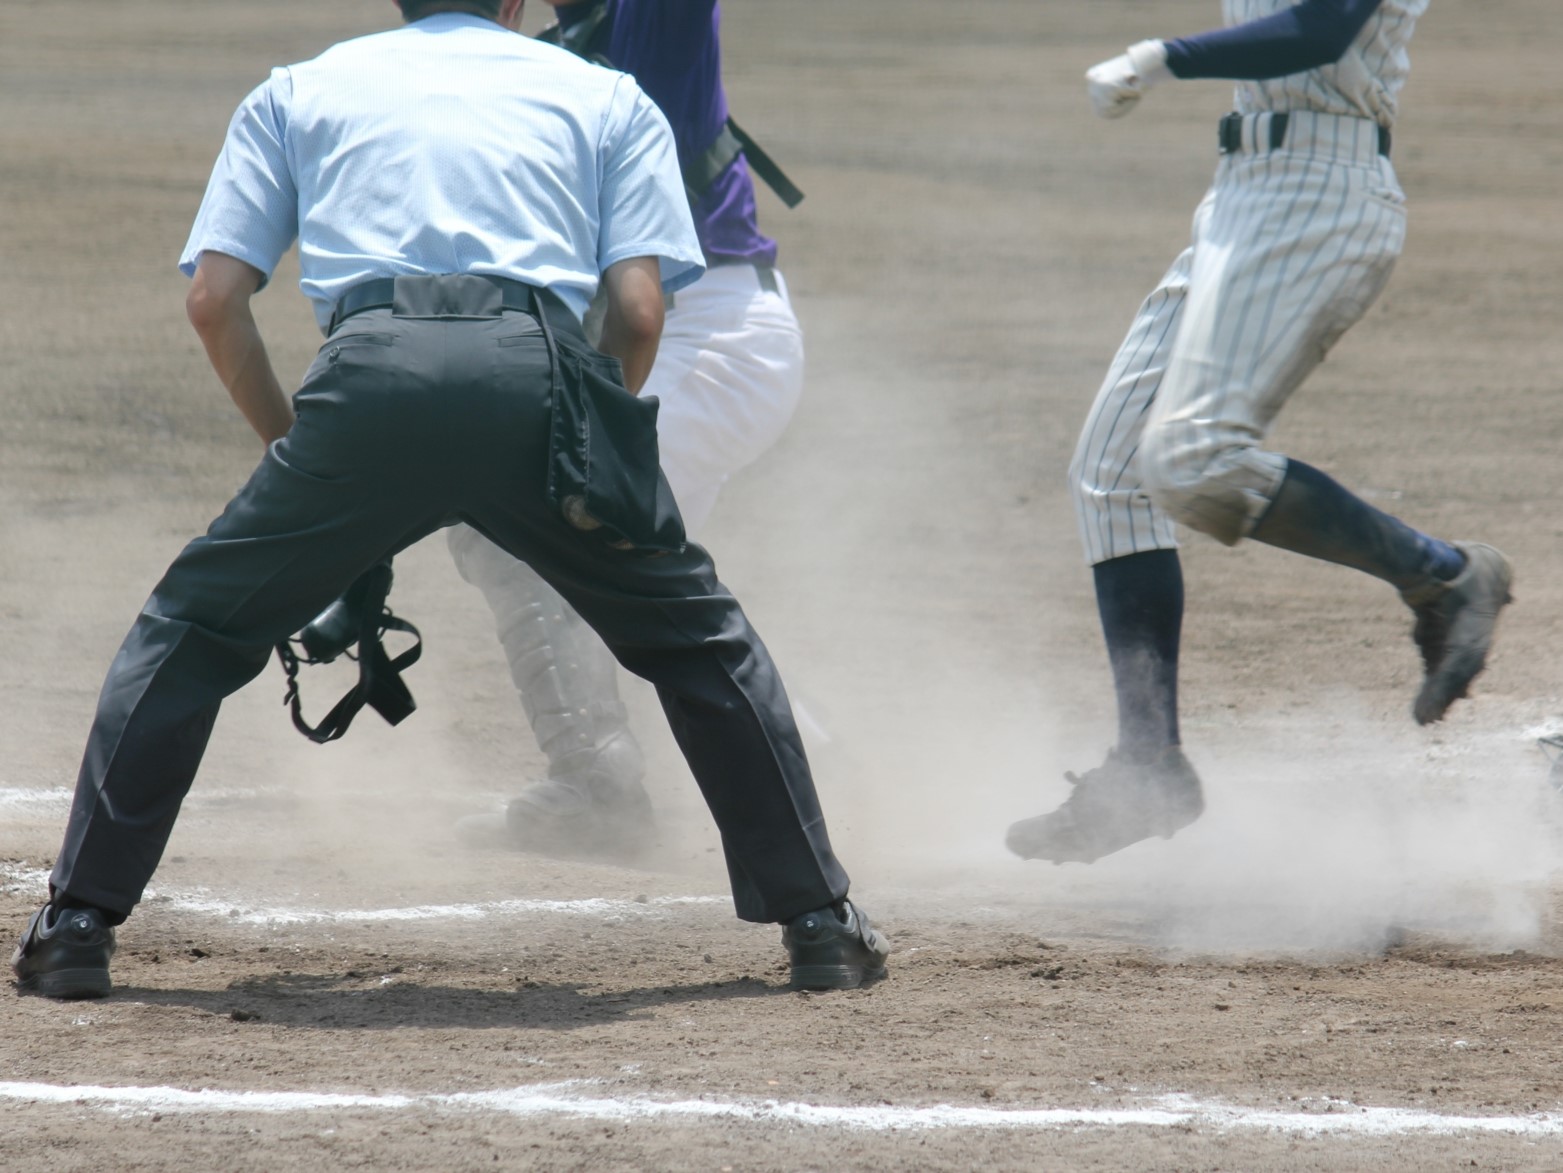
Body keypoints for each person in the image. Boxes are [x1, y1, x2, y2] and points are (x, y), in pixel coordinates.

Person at [10, 0, 887, 1000]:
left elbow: (214, 300)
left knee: (192, 628)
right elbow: (641, 311)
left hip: (366, 379)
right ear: (517, 3)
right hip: (544, 373)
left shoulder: (299, 87)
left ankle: (76, 925)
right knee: (695, 638)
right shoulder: (604, 94)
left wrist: (296, 450)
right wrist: (589, 448)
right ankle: (820, 924)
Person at [1007, 0, 1514, 866]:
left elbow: (1320, 28)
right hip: (1242, 194)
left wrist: (1158, 56)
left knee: (1191, 460)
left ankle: (1446, 578)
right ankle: (1147, 765)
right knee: (1111, 472)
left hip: (1322, 197)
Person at [447, 0, 809, 859]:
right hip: (651, 334)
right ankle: (825, 766)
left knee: (528, 531)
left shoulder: (651, 16)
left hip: (706, 335)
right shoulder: (544, 48)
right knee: (634, 583)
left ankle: (595, 787)